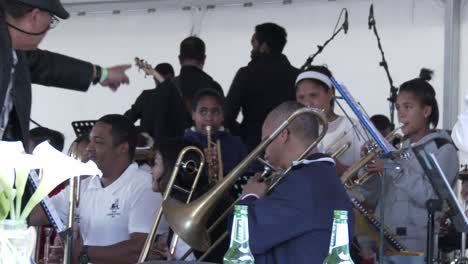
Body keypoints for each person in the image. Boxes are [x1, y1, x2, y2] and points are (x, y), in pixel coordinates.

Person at [30, 114, 168, 263]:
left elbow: (140, 248)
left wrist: (82, 254)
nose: (89, 148)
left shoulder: (144, 185)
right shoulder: (84, 184)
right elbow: (35, 216)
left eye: (99, 142)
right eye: (90, 140)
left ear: (122, 148)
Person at [237, 101, 354, 264]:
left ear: (283, 134)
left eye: (266, 140)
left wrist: (248, 196)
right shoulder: (321, 176)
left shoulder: (301, 183)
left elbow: (245, 239)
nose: (264, 150)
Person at [0, 0, 131, 145]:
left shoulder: (14, 52)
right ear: (35, 16)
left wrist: (102, 74)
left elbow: (46, 65)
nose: (48, 29)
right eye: (50, 22)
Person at [365, 69, 459, 254]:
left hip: (416, 246)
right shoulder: (400, 150)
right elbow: (374, 197)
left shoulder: (443, 149)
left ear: (426, 111)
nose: (401, 115)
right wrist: (368, 168)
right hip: (385, 239)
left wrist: (391, 167)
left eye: (408, 107)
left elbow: (431, 197)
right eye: (399, 107)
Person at [225, 22, 300, 151]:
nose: (251, 50)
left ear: (264, 46)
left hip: (252, 148)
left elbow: (227, 115)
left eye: (253, 44)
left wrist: (243, 134)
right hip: (288, 146)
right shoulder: (297, 76)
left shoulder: (246, 74)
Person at [295, 65, 365, 176]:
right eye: (301, 97)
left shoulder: (353, 126)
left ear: (330, 93)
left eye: (313, 95)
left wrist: (340, 169)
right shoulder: (294, 131)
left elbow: (371, 179)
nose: (307, 104)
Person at [152, 36, 224, 142]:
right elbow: (221, 126)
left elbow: (157, 130)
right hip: (208, 153)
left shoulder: (164, 88)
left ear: (180, 59)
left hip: (173, 155)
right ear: (204, 59)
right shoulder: (214, 87)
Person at [184, 88, 248, 196]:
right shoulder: (183, 144)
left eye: (215, 112)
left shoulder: (236, 143)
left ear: (223, 115)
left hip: (232, 203)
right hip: (194, 202)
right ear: (193, 114)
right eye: (203, 111)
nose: (209, 118)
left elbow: (248, 176)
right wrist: (200, 163)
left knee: (245, 212)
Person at [124, 62, 175, 137]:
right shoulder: (179, 97)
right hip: (173, 143)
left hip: (148, 144)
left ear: (154, 78)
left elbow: (129, 117)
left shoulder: (146, 96)